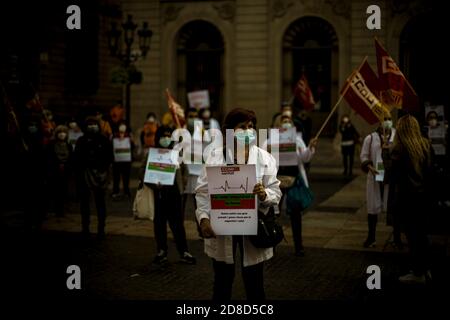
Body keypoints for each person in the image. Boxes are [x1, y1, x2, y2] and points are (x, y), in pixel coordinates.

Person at [195, 108, 281, 301]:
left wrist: (264, 193)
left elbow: (276, 192)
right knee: (222, 281)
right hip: (222, 228)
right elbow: (202, 192)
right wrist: (203, 219)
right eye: (242, 127)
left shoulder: (264, 158)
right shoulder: (215, 157)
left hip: (253, 229)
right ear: (230, 131)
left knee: (254, 283)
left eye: (251, 127)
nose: (248, 130)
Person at [382, 115, 433, 284]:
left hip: (407, 199)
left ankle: (417, 273)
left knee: (412, 236)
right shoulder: (426, 145)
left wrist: (385, 152)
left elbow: (390, 175)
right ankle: (425, 269)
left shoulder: (400, 149)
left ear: (401, 129)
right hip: (424, 198)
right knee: (422, 235)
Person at [145, 125, 196, 265]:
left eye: (168, 136)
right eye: (163, 136)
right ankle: (161, 251)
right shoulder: (152, 154)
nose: (166, 139)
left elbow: (185, 170)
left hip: (174, 194)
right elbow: (142, 174)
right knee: (159, 224)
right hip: (159, 194)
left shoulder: (176, 153)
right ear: (158, 138)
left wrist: (183, 183)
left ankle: (184, 251)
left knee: (178, 224)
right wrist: (153, 183)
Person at [276, 115, 317, 256]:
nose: (286, 123)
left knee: (295, 214)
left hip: (294, 180)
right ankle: (271, 243)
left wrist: (310, 147)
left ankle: (298, 246)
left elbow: (305, 157)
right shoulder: (271, 139)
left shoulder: (297, 139)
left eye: (289, 121)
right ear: (278, 124)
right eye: (284, 121)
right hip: (277, 180)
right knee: (274, 213)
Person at [74, 116, 113, 238]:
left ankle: (101, 227)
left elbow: (109, 157)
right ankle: (85, 227)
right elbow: (77, 158)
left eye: (94, 124)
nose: (92, 127)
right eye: (89, 124)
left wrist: (102, 169)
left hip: (100, 175)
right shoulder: (81, 140)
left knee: (100, 202)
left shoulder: (104, 140)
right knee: (84, 203)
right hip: (85, 175)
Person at [360, 113, 396, 248]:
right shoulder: (371, 138)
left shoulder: (396, 136)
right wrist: (370, 167)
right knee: (372, 207)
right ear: (379, 122)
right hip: (375, 175)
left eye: (389, 119)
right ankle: (371, 237)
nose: (387, 121)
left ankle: (396, 237)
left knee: (392, 206)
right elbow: (363, 156)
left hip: (391, 176)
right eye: (384, 119)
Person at [46, 125, 72, 217]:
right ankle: (55, 209)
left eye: (64, 132)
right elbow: (49, 158)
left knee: (64, 191)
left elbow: (71, 158)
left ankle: (62, 209)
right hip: (54, 171)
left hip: (65, 171)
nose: (62, 134)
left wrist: (66, 165)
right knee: (55, 190)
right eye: (60, 132)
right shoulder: (51, 145)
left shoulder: (69, 145)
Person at [111, 121, 134, 200]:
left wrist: (131, 140)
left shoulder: (129, 136)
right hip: (116, 161)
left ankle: (126, 192)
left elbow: (133, 147)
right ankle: (115, 191)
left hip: (126, 161)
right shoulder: (114, 136)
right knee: (116, 177)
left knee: (126, 177)